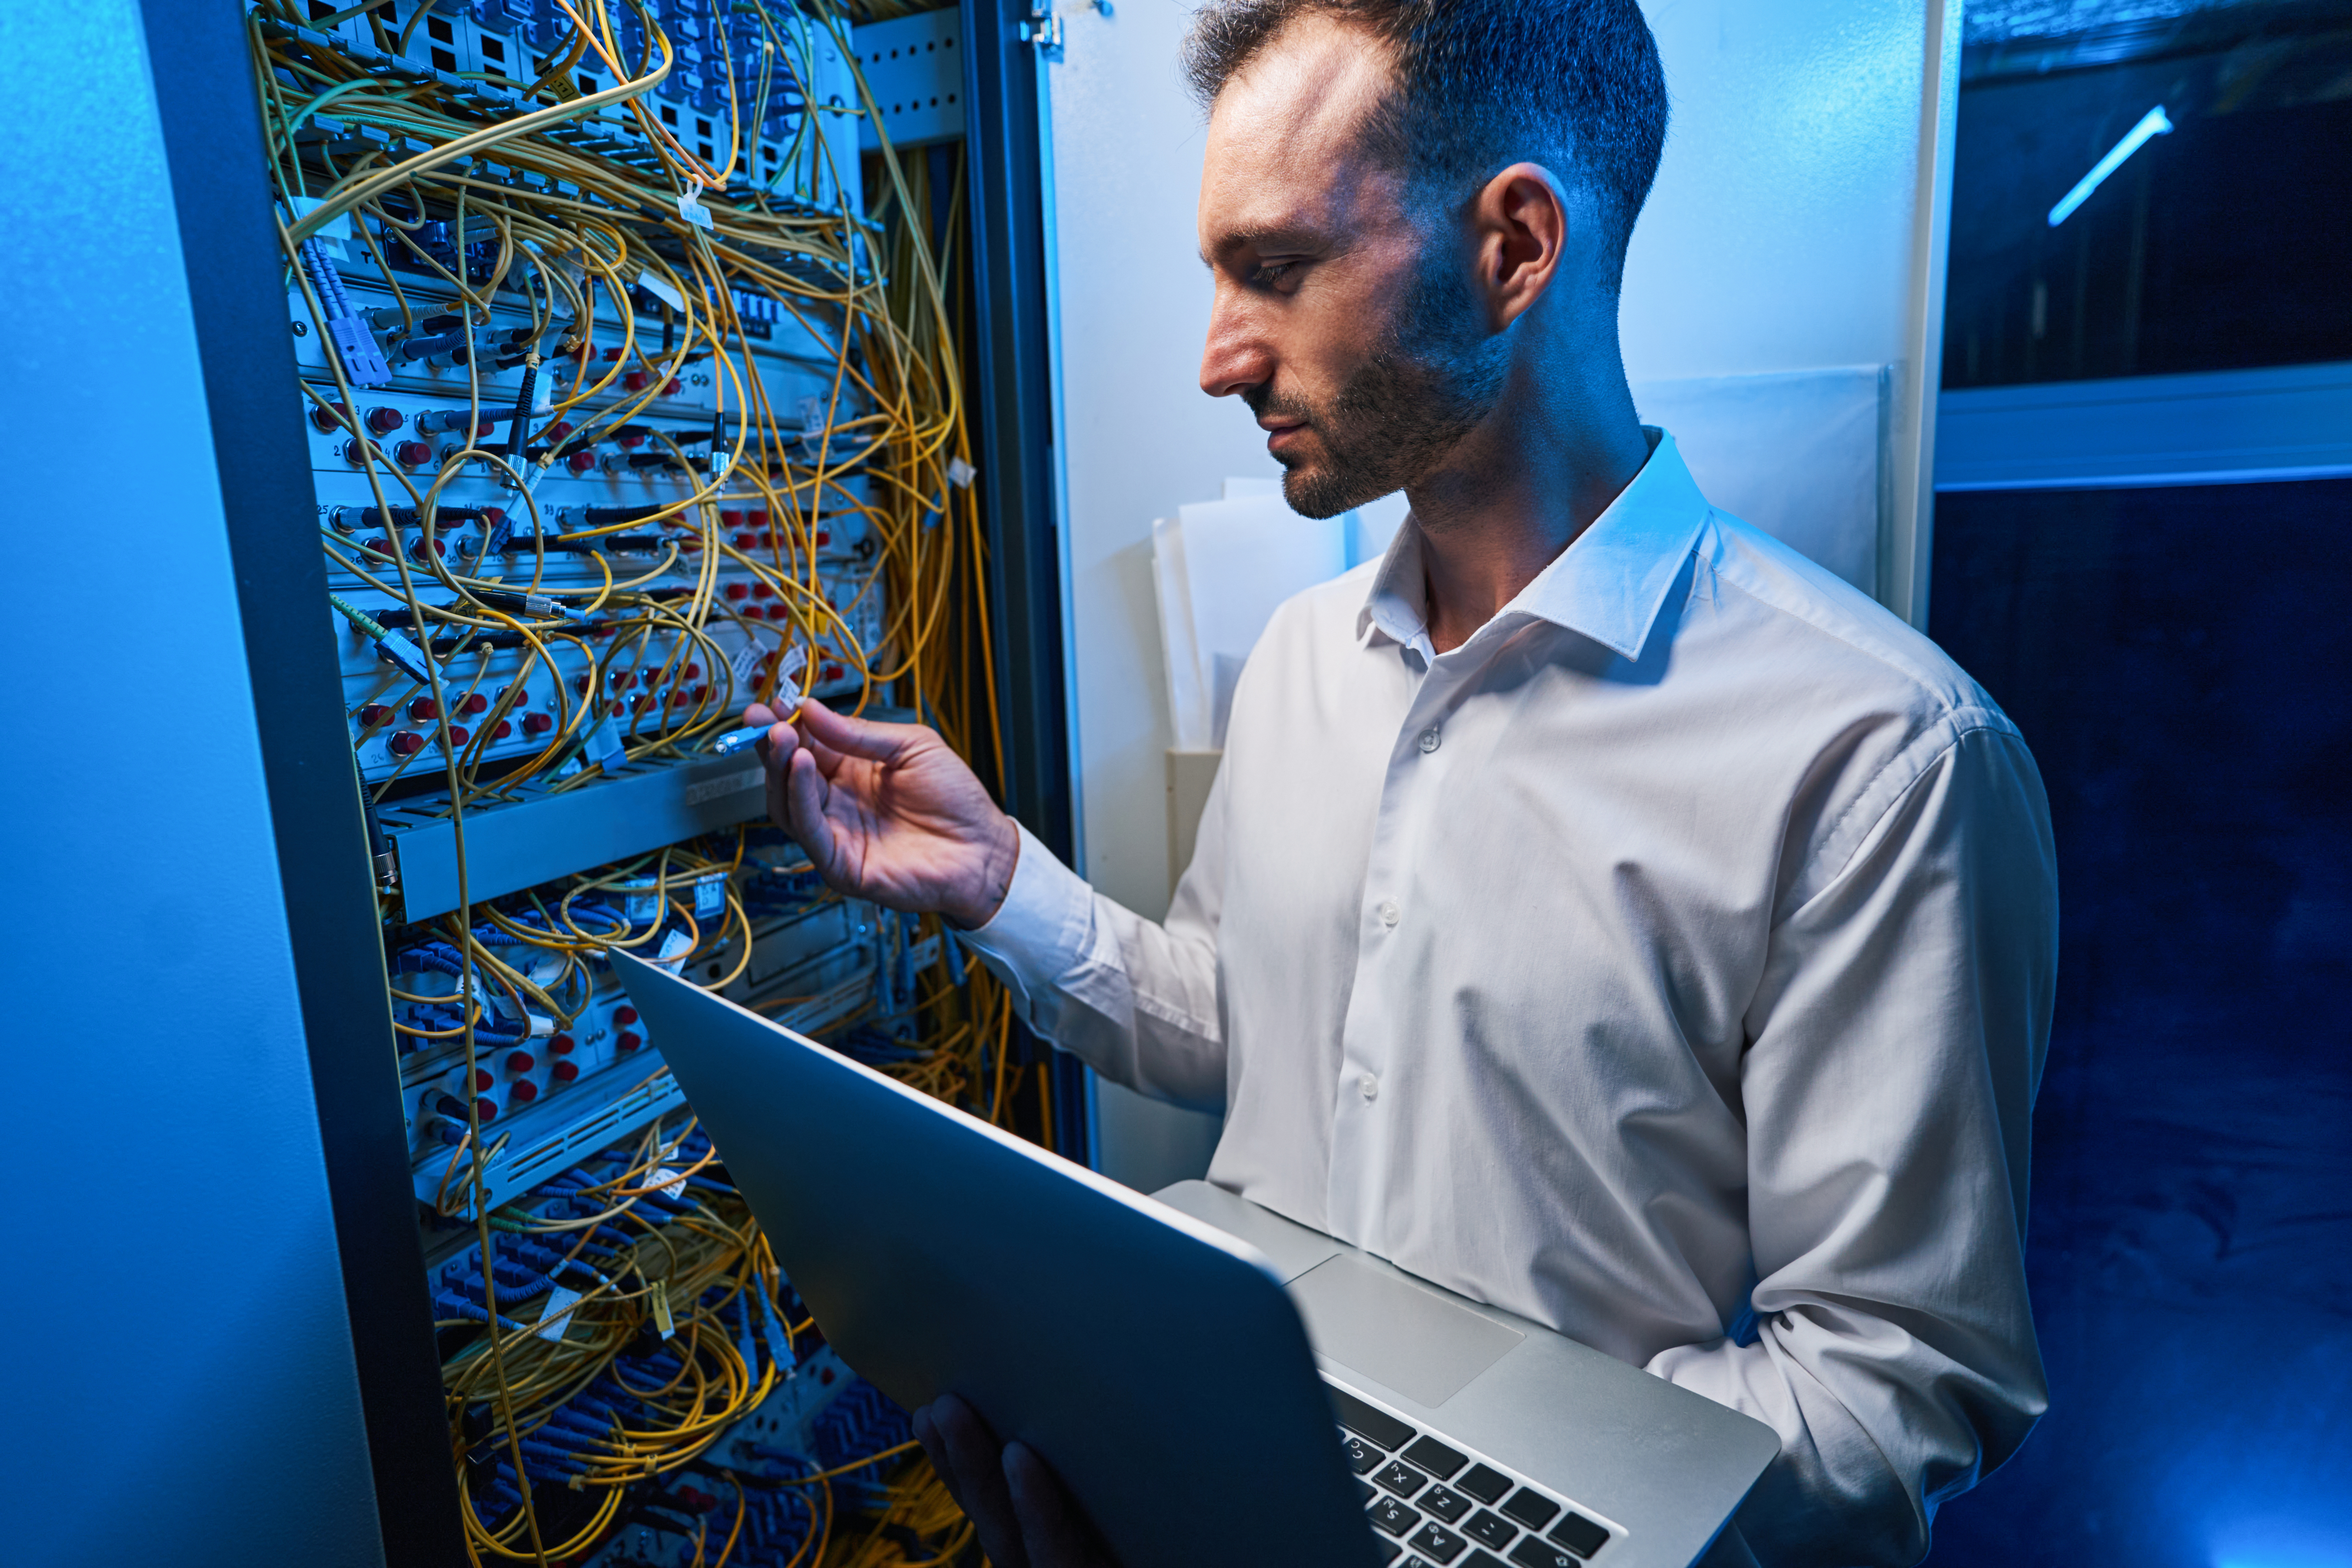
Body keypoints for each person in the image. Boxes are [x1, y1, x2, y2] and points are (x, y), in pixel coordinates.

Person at [743, 1, 2056, 1563]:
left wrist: (1470, 1514)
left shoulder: (1880, 756)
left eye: (1279, 267)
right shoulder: (1307, 654)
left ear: (1514, 248)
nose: (1221, 358)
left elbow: (1884, 1391)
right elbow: (1246, 1024)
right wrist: (1000, 885)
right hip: (1218, 1475)